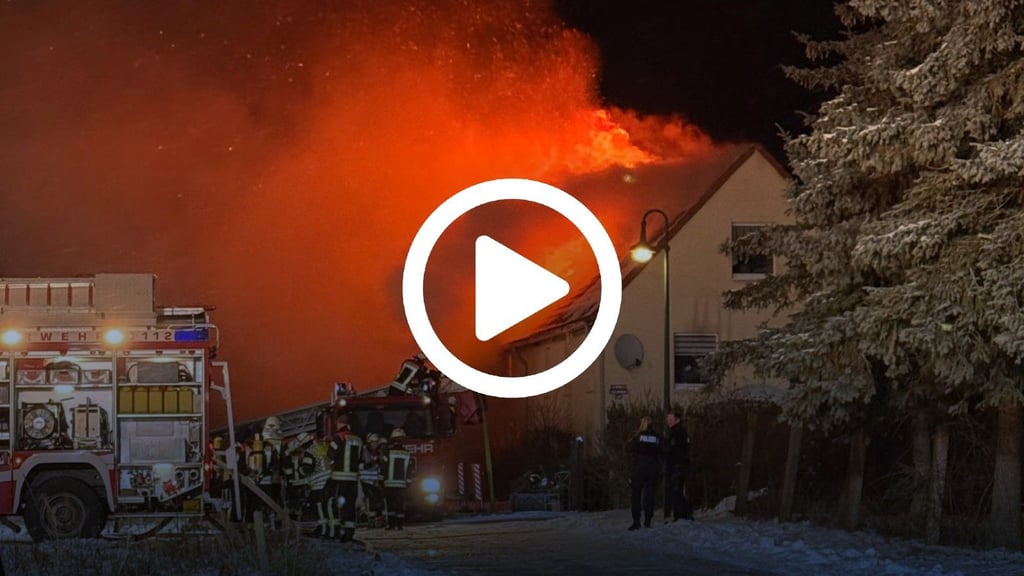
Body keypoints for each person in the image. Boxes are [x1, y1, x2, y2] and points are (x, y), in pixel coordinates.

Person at [326, 413, 363, 542]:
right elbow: (361, 459)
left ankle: (336, 532)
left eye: (338, 423)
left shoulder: (338, 438)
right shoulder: (358, 439)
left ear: (342, 424)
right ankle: (349, 534)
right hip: (353, 480)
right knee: (350, 507)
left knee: (334, 504)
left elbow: (330, 454)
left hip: (338, 479)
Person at [628, 416, 662, 530]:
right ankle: (648, 521)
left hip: (639, 468)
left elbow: (629, 447)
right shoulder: (656, 436)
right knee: (650, 495)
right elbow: (664, 448)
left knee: (636, 495)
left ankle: (636, 521)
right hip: (653, 468)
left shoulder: (638, 436)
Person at [664, 411, 694, 522]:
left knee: (676, 490)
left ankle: (680, 515)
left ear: (677, 420)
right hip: (681, 464)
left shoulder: (675, 433)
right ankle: (684, 513)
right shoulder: (681, 432)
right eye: (668, 419)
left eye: (671, 419)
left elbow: (672, 450)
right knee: (679, 490)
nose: (669, 422)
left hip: (677, 465)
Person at [383, 427, 412, 530]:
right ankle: (399, 525)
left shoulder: (387, 452)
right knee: (400, 505)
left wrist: (380, 480)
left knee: (390, 505)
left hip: (389, 484)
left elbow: (383, 467)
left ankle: (391, 525)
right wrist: (408, 482)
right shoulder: (407, 454)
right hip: (401, 484)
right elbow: (409, 470)